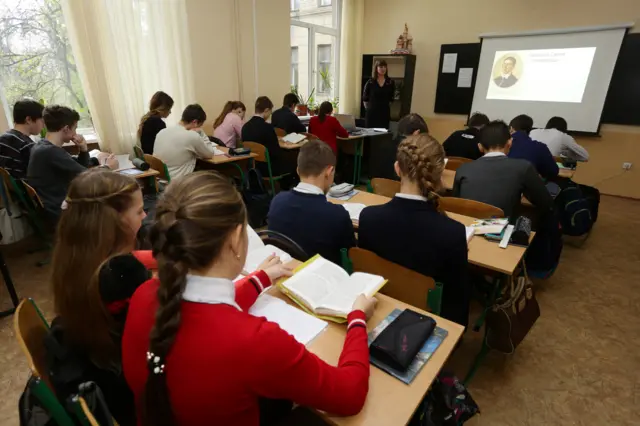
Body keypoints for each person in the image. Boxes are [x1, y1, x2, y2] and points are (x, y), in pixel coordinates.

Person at [122, 172, 376, 426]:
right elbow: (348, 396)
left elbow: (205, 312)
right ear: (235, 239)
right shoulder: (255, 342)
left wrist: (259, 279)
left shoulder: (143, 296)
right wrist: (356, 319)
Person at [46, 169, 150, 425]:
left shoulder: (75, 258)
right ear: (114, 222)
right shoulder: (123, 276)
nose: (145, 215)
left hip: (101, 367)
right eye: (139, 211)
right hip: (132, 397)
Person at [358, 134, 469, 327]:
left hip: (379, 310)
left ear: (397, 168)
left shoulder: (368, 217)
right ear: (439, 172)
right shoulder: (453, 233)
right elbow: (457, 307)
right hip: (426, 323)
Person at [28, 105, 118, 224]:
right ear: (66, 129)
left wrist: (83, 149)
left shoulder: (42, 146)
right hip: (60, 211)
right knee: (112, 203)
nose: (75, 132)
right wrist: (108, 167)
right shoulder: (51, 152)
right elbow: (88, 177)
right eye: (74, 128)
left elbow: (79, 169)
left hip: (52, 206)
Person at [268, 140, 355, 263]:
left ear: (298, 170)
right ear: (329, 172)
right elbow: (350, 254)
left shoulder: (277, 201)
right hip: (324, 278)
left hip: (284, 274)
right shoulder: (337, 215)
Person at [453, 120, 554, 218]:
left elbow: (455, 204)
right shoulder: (523, 167)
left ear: (480, 147)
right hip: (503, 231)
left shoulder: (463, 169)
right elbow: (545, 202)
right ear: (509, 143)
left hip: (467, 228)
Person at [153, 104, 215, 179]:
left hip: (159, 180)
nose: (200, 128)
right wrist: (201, 132)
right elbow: (209, 154)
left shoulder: (162, 132)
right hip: (178, 182)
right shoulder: (192, 136)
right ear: (195, 122)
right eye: (200, 125)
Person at [242, 96, 289, 177]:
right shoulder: (267, 128)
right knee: (292, 160)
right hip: (268, 168)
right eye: (270, 112)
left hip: (252, 166)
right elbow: (276, 153)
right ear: (266, 110)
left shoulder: (245, 127)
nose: (270, 115)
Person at [0, 99, 44, 178]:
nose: (43, 126)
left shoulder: (2, 139)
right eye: (42, 121)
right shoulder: (27, 145)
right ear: (28, 120)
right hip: (25, 189)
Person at [508, 114, 559, 180]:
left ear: (511, 128)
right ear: (529, 130)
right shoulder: (540, 147)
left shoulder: (501, 146)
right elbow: (553, 172)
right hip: (528, 188)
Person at [362, 59, 395, 129]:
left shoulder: (390, 82)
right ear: (376, 68)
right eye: (380, 67)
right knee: (369, 134)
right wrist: (371, 108)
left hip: (384, 112)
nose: (383, 69)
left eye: (384, 67)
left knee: (382, 134)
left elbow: (391, 98)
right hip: (372, 113)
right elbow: (365, 99)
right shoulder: (370, 82)